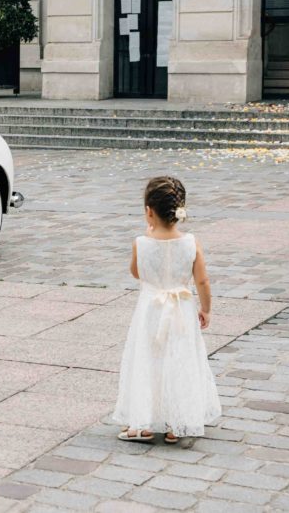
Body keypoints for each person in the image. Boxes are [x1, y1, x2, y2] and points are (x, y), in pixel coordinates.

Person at [112, 176, 221, 444]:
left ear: (149, 211)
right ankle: (177, 423)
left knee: (148, 361)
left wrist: (149, 242)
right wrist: (206, 309)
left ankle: (144, 423)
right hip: (182, 309)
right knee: (180, 360)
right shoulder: (191, 242)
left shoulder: (141, 242)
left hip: (150, 311)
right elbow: (202, 280)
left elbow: (137, 273)